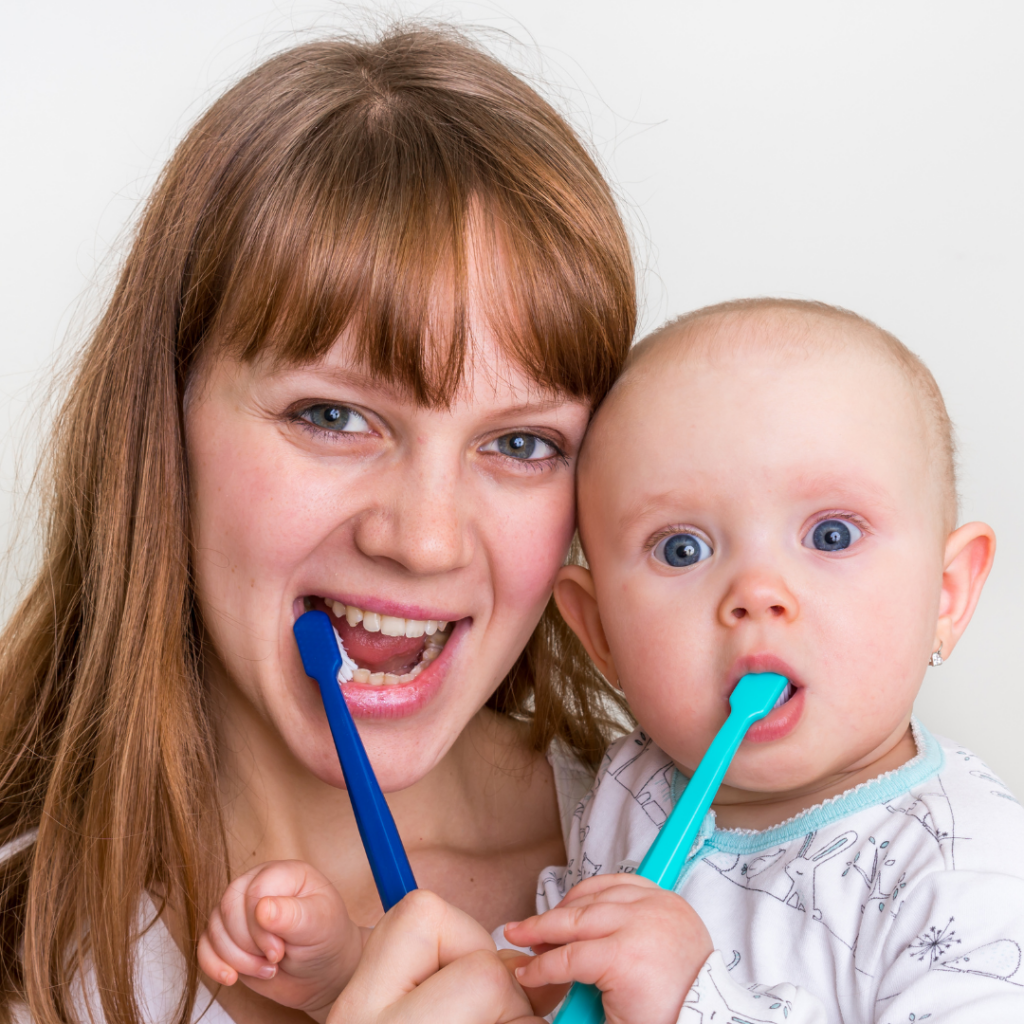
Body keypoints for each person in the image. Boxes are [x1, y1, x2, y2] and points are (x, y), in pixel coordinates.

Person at [0, 24, 636, 1024]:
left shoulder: (748, 883)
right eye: (333, 416)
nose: (424, 539)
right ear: (161, 423)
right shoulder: (26, 943)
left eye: (520, 444)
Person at [503, 299, 1020, 1022]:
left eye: (832, 535)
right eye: (682, 549)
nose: (757, 594)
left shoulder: (967, 865)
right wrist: (358, 972)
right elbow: (555, 989)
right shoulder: (631, 786)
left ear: (946, 594)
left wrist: (693, 1002)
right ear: (600, 633)